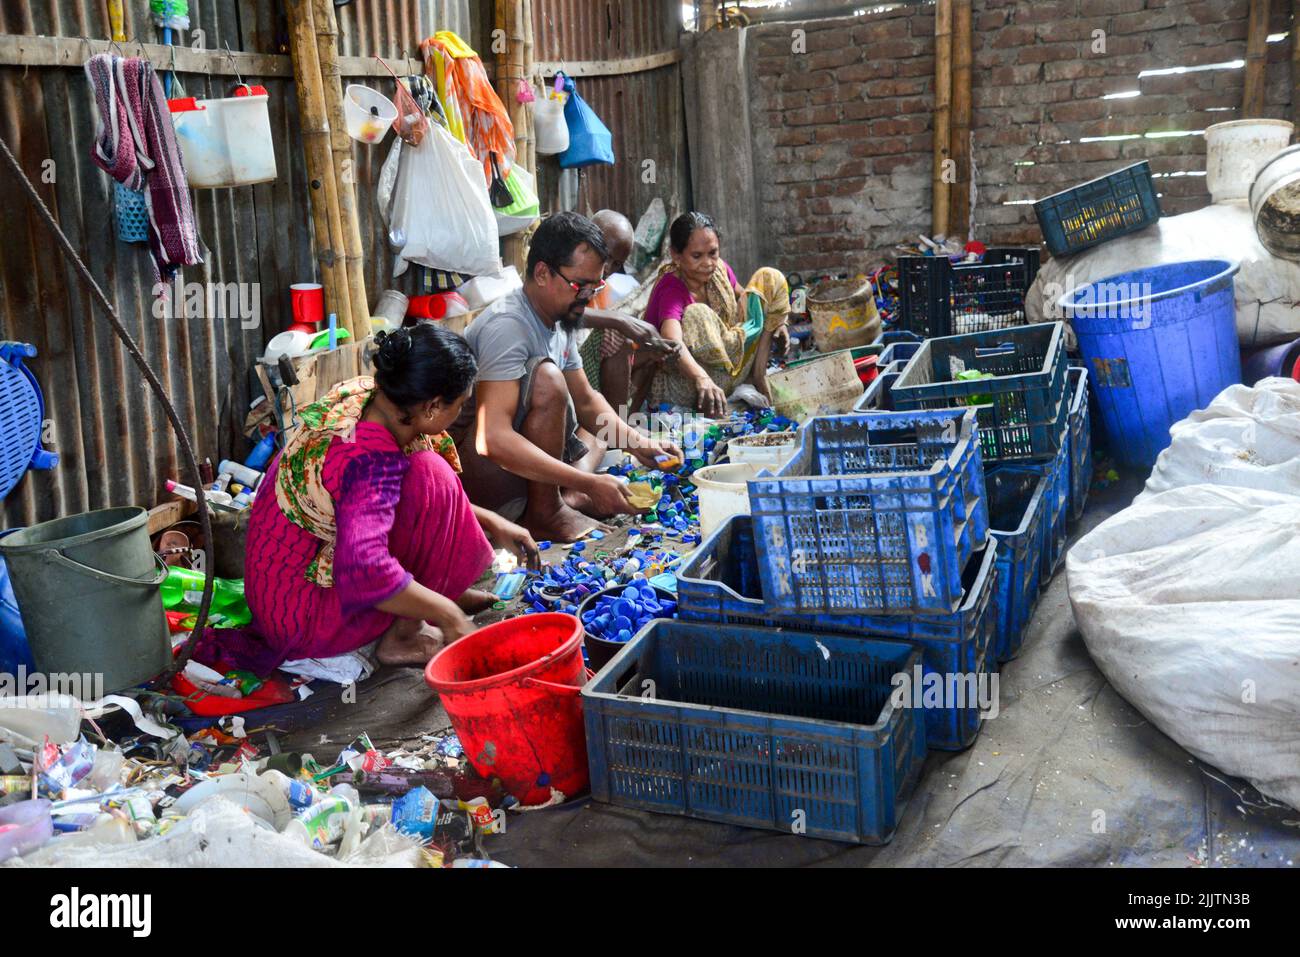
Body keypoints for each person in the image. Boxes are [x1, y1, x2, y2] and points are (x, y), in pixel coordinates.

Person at [191, 323, 540, 676]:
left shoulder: (365, 397)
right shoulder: (370, 459)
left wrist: (494, 521)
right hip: (304, 619)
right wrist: (447, 616)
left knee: (427, 474)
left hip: (277, 594)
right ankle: (405, 633)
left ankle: (425, 597)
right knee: (432, 476)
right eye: (461, 404)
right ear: (432, 407)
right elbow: (364, 570)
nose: (461, 412)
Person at [453, 211, 683, 542]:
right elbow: (492, 440)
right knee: (548, 379)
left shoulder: (558, 318)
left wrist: (640, 445)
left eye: (596, 285)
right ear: (542, 273)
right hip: (484, 481)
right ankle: (547, 512)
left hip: (522, 472)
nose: (588, 296)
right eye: (580, 285)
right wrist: (588, 482)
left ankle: (563, 499)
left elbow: (587, 400)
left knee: (599, 425)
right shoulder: (507, 326)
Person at [641, 212, 791, 417]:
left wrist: (778, 320)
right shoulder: (671, 287)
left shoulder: (719, 271)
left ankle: (758, 375)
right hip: (689, 383)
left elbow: (750, 303)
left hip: (730, 367)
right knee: (697, 314)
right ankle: (714, 399)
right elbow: (671, 341)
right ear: (676, 255)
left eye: (713, 253)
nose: (708, 263)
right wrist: (701, 378)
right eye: (697, 256)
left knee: (769, 278)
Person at [581, 209, 680, 413]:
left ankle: (621, 426)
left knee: (651, 358)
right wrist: (619, 321)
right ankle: (616, 431)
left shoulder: (601, 289)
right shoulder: (570, 276)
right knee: (616, 331)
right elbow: (564, 313)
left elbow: (613, 362)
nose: (608, 268)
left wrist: (650, 354)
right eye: (605, 256)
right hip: (568, 379)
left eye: (616, 263)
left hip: (588, 377)